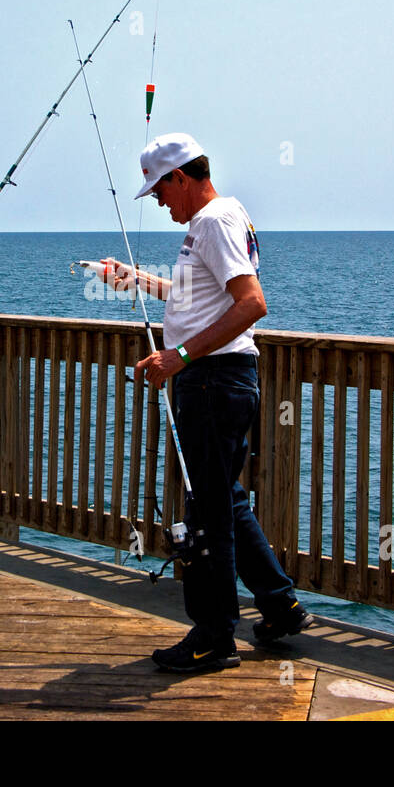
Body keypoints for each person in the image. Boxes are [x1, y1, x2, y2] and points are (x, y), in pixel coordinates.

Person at [98, 132, 312, 672]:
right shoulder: (218, 219)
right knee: (226, 498)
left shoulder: (213, 221)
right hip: (216, 379)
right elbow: (198, 296)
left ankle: (214, 636)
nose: (160, 201)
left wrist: (180, 357)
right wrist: (136, 282)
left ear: (182, 178)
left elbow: (251, 304)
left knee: (207, 512)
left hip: (214, 382)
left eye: (161, 190)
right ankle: (279, 604)